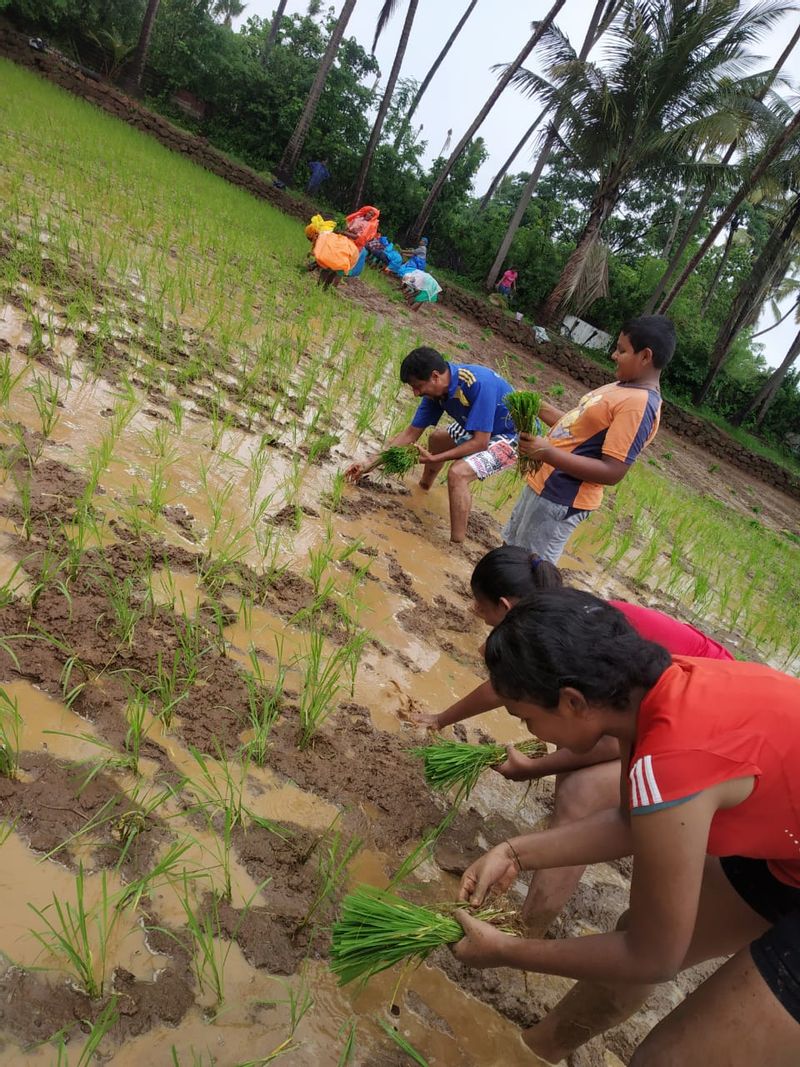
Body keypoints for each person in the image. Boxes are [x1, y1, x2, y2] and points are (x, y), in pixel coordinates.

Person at [451, 589, 800, 1066]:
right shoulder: (647, 690)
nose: (532, 735)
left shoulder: (676, 758)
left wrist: (508, 950)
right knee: (636, 932)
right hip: (786, 848)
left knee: (667, 1058)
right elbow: (633, 820)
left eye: (527, 718)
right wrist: (515, 851)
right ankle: (538, 1051)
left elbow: (654, 958)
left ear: (572, 702)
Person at [409, 545, 734, 934]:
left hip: (708, 726)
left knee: (581, 794)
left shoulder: (588, 665)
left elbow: (621, 741)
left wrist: (534, 767)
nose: (477, 615)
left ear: (507, 608)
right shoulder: (563, 624)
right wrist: (443, 719)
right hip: (688, 710)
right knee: (575, 756)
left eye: (483, 610)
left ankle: (526, 929)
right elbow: (507, 690)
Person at [503, 314, 675, 564]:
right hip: (544, 483)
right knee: (509, 552)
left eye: (621, 350)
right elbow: (580, 431)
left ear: (645, 356)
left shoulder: (639, 405)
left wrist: (547, 453)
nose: (614, 356)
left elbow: (613, 471)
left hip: (561, 496)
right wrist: (541, 408)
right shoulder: (622, 387)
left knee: (528, 571)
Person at [345, 347, 517, 544]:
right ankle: (424, 488)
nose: (416, 393)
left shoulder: (477, 384)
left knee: (458, 473)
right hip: (482, 425)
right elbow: (411, 433)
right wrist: (369, 464)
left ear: (435, 376)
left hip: (512, 435)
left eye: (418, 386)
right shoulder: (436, 393)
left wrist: (436, 458)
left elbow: (480, 443)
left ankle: (456, 543)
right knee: (437, 439)